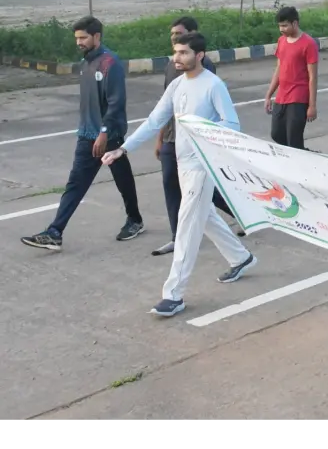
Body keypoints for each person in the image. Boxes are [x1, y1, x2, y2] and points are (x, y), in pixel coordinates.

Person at [102, 33, 254, 318]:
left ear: (200, 55)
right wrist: (124, 149)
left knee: (186, 226)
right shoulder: (176, 85)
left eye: (184, 52)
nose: (177, 58)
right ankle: (241, 257)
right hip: (183, 162)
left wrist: (203, 130)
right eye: (176, 52)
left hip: (203, 165)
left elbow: (232, 124)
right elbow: (154, 121)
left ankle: (173, 295)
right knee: (204, 215)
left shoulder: (213, 85)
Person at [22, 16, 144, 251]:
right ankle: (55, 232)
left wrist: (104, 133)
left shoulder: (110, 63)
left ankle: (135, 220)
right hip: (87, 135)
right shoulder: (85, 63)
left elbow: (116, 103)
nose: (78, 42)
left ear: (97, 36)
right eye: (76, 38)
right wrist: (88, 130)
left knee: (123, 181)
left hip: (109, 136)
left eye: (83, 38)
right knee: (75, 184)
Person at [152, 17, 236, 256]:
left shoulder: (205, 68)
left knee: (205, 194)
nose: (174, 38)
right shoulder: (172, 65)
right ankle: (177, 237)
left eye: (179, 34)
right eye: (172, 35)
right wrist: (160, 137)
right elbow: (165, 107)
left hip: (197, 146)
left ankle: (241, 214)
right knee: (172, 187)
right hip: (172, 138)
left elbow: (214, 112)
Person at [265, 5, 318, 150]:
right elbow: (279, 68)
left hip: (299, 97)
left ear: (295, 23)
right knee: (276, 134)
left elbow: (313, 77)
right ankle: (302, 153)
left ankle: (300, 158)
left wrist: (312, 106)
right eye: (279, 26)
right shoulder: (281, 41)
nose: (281, 29)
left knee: (294, 139)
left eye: (284, 26)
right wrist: (269, 95)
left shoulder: (308, 43)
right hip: (282, 96)